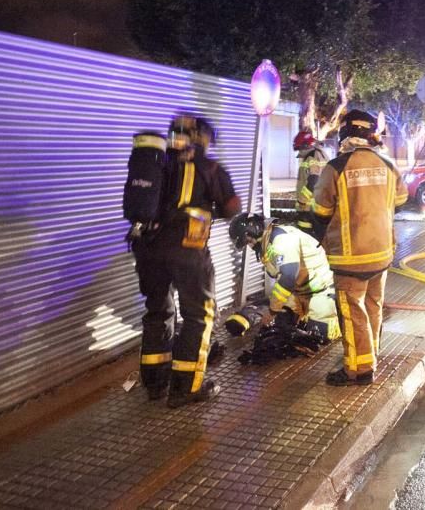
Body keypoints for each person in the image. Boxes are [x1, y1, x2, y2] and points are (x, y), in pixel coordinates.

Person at [133, 114, 241, 407]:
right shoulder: (209, 167)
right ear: (200, 137)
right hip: (187, 250)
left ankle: (155, 382)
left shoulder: (156, 162)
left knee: (158, 311)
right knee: (198, 316)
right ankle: (186, 387)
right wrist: (206, 209)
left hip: (148, 249)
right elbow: (232, 208)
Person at [312, 110, 408, 386]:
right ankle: (370, 355)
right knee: (373, 306)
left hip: (349, 257)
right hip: (382, 253)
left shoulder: (336, 168)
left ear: (345, 134)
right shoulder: (389, 165)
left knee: (352, 312)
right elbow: (400, 201)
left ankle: (358, 369)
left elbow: (320, 210)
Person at [227, 212, 340, 338]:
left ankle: (339, 316)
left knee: (319, 335)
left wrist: (272, 311)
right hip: (299, 293)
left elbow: (287, 278)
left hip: (321, 292)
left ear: (253, 231)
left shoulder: (282, 240)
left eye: (248, 241)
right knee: (281, 326)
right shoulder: (269, 240)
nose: (250, 245)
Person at [293, 129, 329, 235]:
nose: (299, 152)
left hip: (309, 208)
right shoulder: (320, 155)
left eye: (300, 148)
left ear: (305, 146)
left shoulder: (312, 157)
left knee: (306, 237)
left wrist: (302, 201)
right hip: (317, 207)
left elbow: (314, 181)